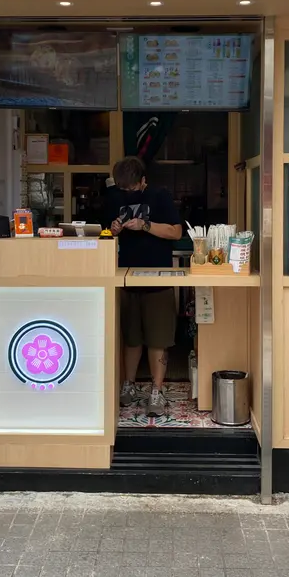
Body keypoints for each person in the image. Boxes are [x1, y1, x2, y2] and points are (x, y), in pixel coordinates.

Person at [105, 156, 182, 417]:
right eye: (123, 189)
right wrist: (113, 230)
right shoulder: (114, 197)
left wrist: (145, 225)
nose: (127, 193)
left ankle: (156, 391)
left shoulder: (160, 196)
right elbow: (103, 234)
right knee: (131, 338)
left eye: (132, 188)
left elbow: (176, 232)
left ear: (143, 181)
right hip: (126, 277)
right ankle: (128, 385)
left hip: (158, 279)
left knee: (158, 339)